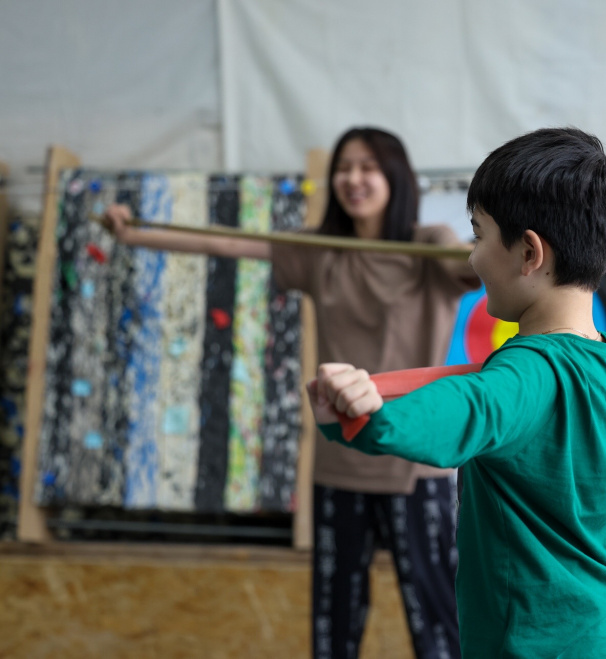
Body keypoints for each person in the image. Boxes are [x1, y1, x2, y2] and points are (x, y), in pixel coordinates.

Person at [306, 127, 606, 659]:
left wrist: (366, 414)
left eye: (479, 235)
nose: (474, 257)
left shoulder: (523, 377)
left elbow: (466, 410)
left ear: (529, 252)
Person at [103, 127, 478, 659]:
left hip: (414, 468)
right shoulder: (320, 250)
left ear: (395, 177)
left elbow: (474, 264)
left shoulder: (429, 243)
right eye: (345, 168)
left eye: (368, 167)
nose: (354, 178)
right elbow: (226, 242)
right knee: (334, 627)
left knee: (440, 626)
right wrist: (133, 233)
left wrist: (514, 233)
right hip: (339, 461)